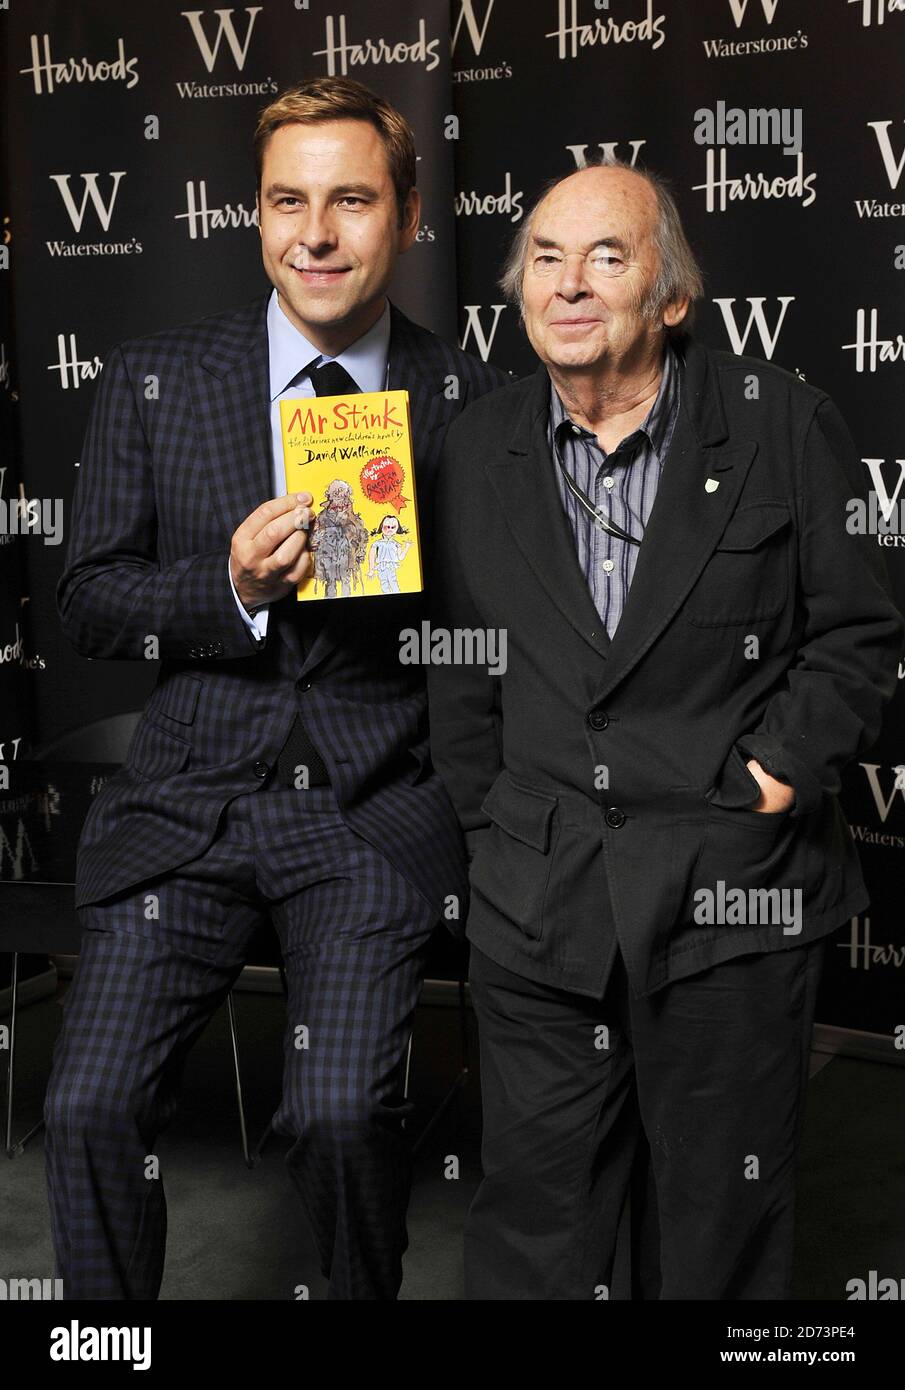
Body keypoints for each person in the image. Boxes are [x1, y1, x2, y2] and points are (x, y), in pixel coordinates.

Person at [46, 75, 506, 1301]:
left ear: (407, 216)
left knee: (344, 1114)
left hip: (365, 814)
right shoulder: (158, 376)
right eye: (286, 200)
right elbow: (85, 595)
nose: (315, 232)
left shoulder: (465, 400)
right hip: (188, 809)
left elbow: (502, 635)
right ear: (252, 214)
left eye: (350, 200)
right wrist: (230, 588)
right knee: (86, 1103)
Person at [427, 158, 904, 1300]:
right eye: (544, 257)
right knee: (536, 1223)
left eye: (606, 256)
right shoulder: (468, 451)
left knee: (717, 1229)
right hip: (535, 904)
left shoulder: (780, 426)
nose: (569, 284)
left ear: (671, 297)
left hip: (726, 895)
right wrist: (492, 826)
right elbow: (457, 665)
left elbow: (855, 630)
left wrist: (778, 776)